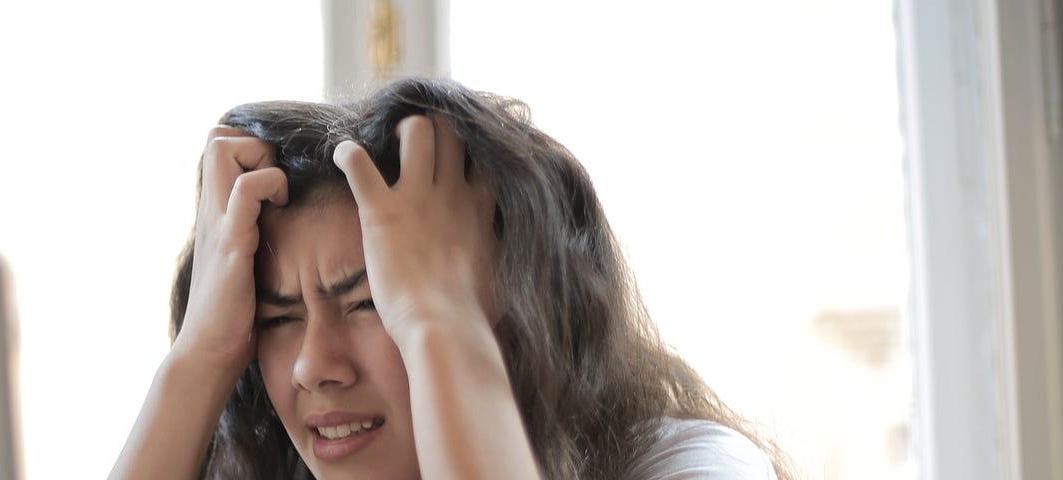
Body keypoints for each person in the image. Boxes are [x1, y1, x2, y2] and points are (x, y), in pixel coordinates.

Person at [110, 78, 793, 479]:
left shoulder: (695, 466)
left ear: (513, 304)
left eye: (374, 302)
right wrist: (199, 357)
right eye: (277, 318)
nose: (315, 367)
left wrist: (438, 319)